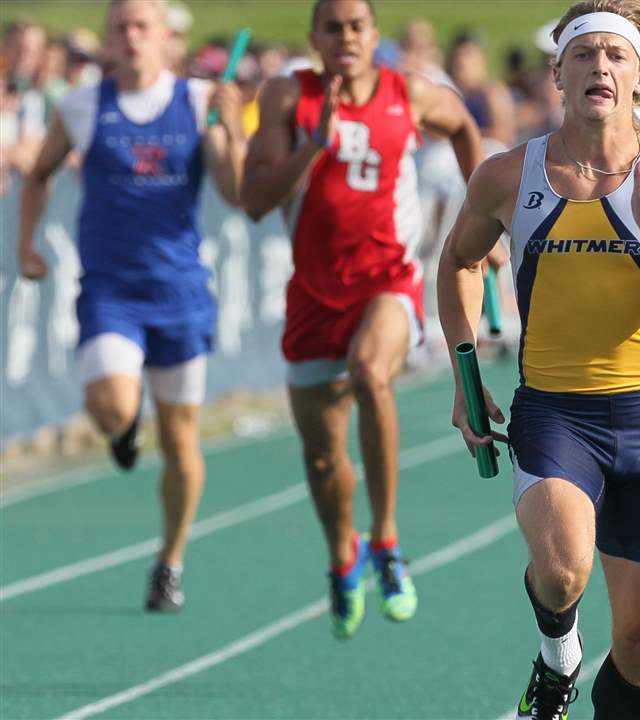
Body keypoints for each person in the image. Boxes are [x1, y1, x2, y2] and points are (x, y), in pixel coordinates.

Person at [437, 1, 640, 717]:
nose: (601, 65)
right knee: (563, 572)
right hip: (555, 414)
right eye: (585, 54)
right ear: (558, 74)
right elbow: (460, 263)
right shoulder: (508, 175)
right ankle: (557, 656)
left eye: (616, 55)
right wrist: (465, 373)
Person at [240, 0, 484, 640]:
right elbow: (254, 200)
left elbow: (463, 127)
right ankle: (341, 557)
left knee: (370, 372)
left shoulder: (411, 94)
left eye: (357, 26)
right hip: (314, 295)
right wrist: (312, 148)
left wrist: (484, 218)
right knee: (322, 459)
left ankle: (385, 541)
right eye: (333, 28)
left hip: (388, 280)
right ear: (314, 37)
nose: (346, 37)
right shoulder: (287, 96)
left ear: (375, 35)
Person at [17, 0, 246, 612]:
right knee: (113, 403)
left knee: (179, 440)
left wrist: (232, 130)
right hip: (111, 289)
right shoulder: (81, 105)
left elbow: (234, 189)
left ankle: (169, 561)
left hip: (180, 291)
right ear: (110, 39)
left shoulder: (198, 101)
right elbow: (37, 174)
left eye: (143, 26)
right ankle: (121, 429)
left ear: (166, 37)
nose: (132, 37)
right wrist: (26, 244)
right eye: (121, 27)